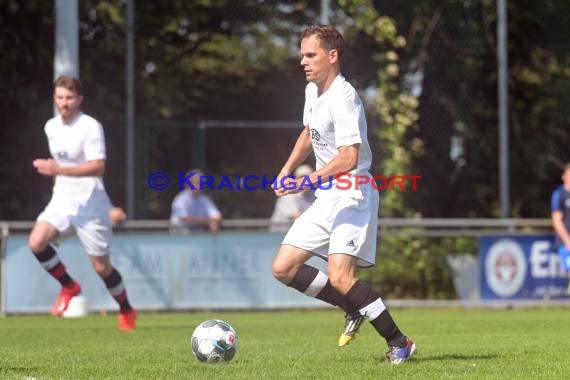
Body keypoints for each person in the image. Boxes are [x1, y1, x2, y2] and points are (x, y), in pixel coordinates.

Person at [271, 25, 416, 364]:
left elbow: (349, 157)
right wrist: (287, 168)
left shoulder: (344, 95)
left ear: (332, 56)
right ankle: (352, 306)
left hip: (352, 194)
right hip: (328, 196)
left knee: (341, 276)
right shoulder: (313, 92)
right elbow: (309, 132)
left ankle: (399, 342)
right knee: (283, 268)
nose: (303, 62)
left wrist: (307, 182)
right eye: (302, 55)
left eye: (311, 55)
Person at [29, 75, 137, 330]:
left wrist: (58, 169)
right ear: (54, 98)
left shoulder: (90, 126)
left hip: (91, 204)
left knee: (101, 267)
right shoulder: (51, 127)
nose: (64, 103)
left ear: (79, 99)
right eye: (59, 97)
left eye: (69, 98)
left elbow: (98, 167)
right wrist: (58, 172)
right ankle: (69, 286)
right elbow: (62, 166)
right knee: (36, 242)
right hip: (63, 199)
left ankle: (126, 309)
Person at [169, 169, 223, 233]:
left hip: (198, 237)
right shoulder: (181, 199)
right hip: (180, 238)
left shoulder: (204, 199)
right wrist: (207, 222)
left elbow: (217, 215)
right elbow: (184, 218)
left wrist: (214, 222)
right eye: (196, 183)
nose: (199, 186)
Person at [269, 164, 316, 232]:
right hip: (277, 234)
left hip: (297, 234)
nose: (305, 181)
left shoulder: (314, 195)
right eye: (301, 178)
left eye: (308, 178)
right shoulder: (288, 195)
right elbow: (297, 217)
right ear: (296, 179)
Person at [551, 163, 570, 295]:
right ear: (564, 177)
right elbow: (557, 220)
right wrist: (567, 241)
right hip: (566, 242)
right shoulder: (560, 194)